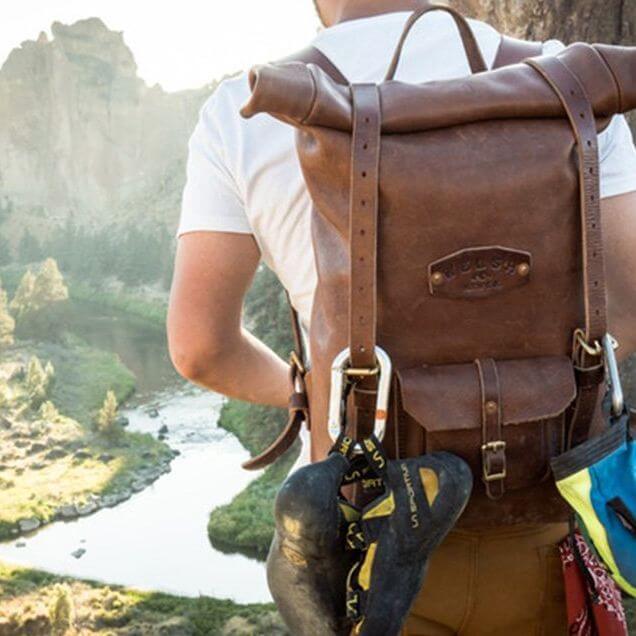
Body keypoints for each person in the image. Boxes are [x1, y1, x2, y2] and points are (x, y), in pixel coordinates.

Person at [167, 1, 636, 633]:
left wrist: (321, 395)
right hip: (541, 522)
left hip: (367, 550)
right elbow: (627, 310)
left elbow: (201, 347)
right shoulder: (571, 85)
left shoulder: (247, 109)